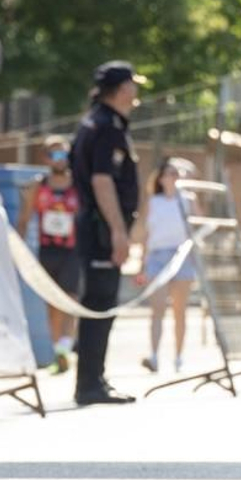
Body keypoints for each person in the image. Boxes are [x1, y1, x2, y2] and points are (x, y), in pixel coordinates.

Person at [69, 61, 146, 406]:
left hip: (96, 226)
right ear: (121, 89)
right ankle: (89, 384)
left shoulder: (96, 122)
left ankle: (93, 379)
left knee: (99, 303)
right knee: (100, 303)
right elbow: (102, 181)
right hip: (101, 229)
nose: (136, 92)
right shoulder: (107, 127)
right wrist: (118, 231)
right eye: (132, 86)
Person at [16, 135, 81, 373]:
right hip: (47, 250)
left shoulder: (77, 185)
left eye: (64, 154)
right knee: (52, 303)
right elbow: (24, 220)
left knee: (71, 299)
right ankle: (58, 352)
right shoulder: (38, 186)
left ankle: (66, 344)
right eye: (55, 155)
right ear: (46, 158)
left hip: (72, 250)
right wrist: (18, 251)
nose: (60, 160)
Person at [134, 159, 197, 375]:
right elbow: (146, 234)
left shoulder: (188, 200)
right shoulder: (153, 201)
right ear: (161, 178)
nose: (173, 177)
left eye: (176, 174)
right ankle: (154, 356)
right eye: (169, 173)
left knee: (180, 311)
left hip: (182, 256)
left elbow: (197, 228)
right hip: (157, 258)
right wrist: (142, 264)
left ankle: (179, 357)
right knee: (157, 309)